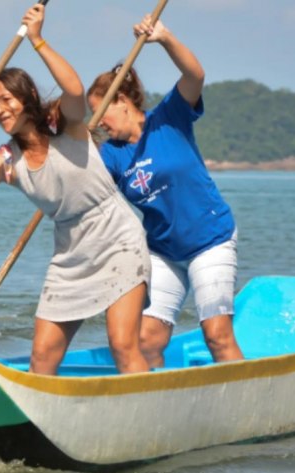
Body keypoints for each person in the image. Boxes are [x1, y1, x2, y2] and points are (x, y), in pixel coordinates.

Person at [0, 4, 151, 376]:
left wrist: (38, 40)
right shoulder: (6, 160)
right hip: (70, 252)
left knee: (123, 345)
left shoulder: (64, 122)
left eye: (5, 99)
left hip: (116, 237)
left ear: (26, 96)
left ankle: (148, 423)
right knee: (42, 359)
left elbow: (75, 89)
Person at [86, 15, 244, 368]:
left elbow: (195, 76)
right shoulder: (110, 155)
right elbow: (85, 191)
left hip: (210, 238)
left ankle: (248, 406)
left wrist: (165, 38)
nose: (97, 123)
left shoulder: (169, 117)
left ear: (123, 101)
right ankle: (157, 406)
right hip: (164, 251)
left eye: (99, 113)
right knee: (145, 341)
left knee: (217, 334)